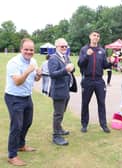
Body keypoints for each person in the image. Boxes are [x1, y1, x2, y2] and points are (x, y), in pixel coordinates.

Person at [4, 38, 42, 166]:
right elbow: (18, 82)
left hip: (27, 96)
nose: (29, 52)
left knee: (27, 122)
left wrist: (39, 75)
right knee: (16, 126)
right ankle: (12, 155)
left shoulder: (34, 61)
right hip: (14, 97)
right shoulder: (13, 63)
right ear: (21, 49)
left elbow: (35, 79)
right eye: (26, 49)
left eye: (31, 50)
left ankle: (21, 145)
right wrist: (27, 71)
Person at [78, 30, 114, 133]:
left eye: (98, 36)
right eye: (94, 35)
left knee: (101, 103)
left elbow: (104, 65)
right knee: (85, 103)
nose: (96, 37)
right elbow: (80, 64)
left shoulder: (101, 51)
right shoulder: (84, 49)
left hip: (99, 81)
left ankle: (103, 125)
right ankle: (84, 124)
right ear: (90, 36)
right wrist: (86, 55)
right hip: (87, 80)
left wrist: (110, 63)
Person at [48, 38, 74, 145]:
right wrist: (66, 70)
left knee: (62, 112)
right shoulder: (53, 58)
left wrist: (72, 68)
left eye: (66, 46)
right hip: (58, 91)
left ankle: (59, 129)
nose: (64, 48)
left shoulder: (66, 57)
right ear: (56, 47)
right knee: (58, 114)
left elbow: (70, 69)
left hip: (66, 90)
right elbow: (52, 74)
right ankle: (56, 136)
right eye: (62, 46)